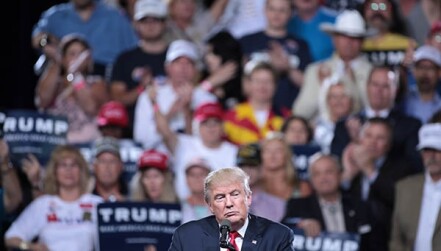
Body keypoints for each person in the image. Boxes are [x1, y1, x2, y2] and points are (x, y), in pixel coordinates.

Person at [168, 167, 295, 250]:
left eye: (235, 194)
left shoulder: (277, 236)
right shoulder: (187, 236)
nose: (229, 203)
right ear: (210, 205)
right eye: (220, 197)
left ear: (248, 198)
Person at [4, 145, 103, 251]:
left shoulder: (97, 204)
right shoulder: (42, 204)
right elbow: (10, 238)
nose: (68, 170)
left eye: (73, 165)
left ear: (81, 171)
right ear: (54, 172)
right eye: (63, 165)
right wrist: (30, 246)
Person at [340, 117, 418, 250]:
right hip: (352, 239)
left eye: (380, 138)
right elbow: (337, 200)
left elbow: (398, 199)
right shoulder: (351, 162)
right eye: (368, 136)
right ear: (360, 139)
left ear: (388, 144)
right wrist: (348, 174)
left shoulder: (403, 168)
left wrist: (370, 171)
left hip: (385, 240)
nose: (372, 142)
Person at [133, 39, 217, 149]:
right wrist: (173, 110)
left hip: (195, 161)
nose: (183, 68)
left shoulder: (208, 99)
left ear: (196, 70)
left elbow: (208, 143)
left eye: (188, 63)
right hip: (158, 158)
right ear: (167, 67)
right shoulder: (150, 95)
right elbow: (142, 138)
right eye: (177, 62)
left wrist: (187, 111)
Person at [292, 9, 373, 121]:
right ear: (334, 40)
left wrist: (354, 86)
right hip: (320, 135)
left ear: (362, 42)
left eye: (355, 38)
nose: (349, 42)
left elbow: (375, 111)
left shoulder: (373, 73)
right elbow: (300, 113)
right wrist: (323, 88)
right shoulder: (315, 70)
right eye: (344, 36)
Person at [282, 153, 373, 251]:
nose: (324, 178)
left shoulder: (360, 206)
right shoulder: (297, 206)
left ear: (339, 174)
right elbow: (281, 231)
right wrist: (300, 223)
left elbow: (375, 243)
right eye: (317, 174)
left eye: (329, 172)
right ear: (311, 180)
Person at [239, 0, 313, 115]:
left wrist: (288, 68)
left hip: (290, 114)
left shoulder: (300, 45)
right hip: (251, 115)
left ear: (291, 13)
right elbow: (239, 84)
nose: (276, 14)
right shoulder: (247, 42)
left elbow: (310, 86)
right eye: (272, 9)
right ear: (264, 10)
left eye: (282, 10)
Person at [153, 100, 238, 200]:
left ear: (222, 126)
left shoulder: (233, 152)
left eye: (215, 122)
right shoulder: (184, 144)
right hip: (184, 208)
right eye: (205, 123)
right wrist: (154, 103)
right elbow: (163, 130)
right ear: (197, 126)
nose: (211, 128)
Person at [31, 0, 139, 77]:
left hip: (105, 79)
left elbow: (136, 50)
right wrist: (47, 43)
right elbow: (37, 38)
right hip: (64, 78)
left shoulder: (116, 17)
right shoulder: (55, 16)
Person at [110, 0, 169, 138]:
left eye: (155, 20)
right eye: (144, 21)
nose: (150, 25)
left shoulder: (177, 58)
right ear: (136, 24)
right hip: (132, 132)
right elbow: (117, 100)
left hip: (172, 130)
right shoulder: (125, 59)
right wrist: (142, 88)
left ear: (165, 24)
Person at [35, 33, 108, 144]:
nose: (77, 58)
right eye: (72, 54)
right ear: (63, 58)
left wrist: (75, 74)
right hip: (54, 142)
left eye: (81, 54)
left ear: (88, 59)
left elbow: (90, 108)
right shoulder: (56, 82)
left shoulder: (97, 83)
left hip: (87, 142)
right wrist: (56, 62)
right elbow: (42, 101)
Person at [389, 123, 441, 251]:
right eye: (427, 150)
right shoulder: (405, 187)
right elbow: (396, 237)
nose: (432, 156)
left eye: (438, 150)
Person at [223, 61, 285, 146]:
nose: (262, 86)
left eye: (268, 81)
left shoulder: (286, 117)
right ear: (248, 84)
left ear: (275, 85)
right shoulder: (231, 116)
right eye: (258, 81)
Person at [236, 143, 286, 222]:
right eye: (242, 166)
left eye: (252, 166)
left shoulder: (277, 205)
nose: (247, 170)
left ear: (262, 168)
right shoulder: (225, 203)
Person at [403, 45, 441, 124]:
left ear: (439, 73)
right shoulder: (403, 100)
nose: (425, 73)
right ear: (414, 71)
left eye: (430, 68)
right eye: (421, 67)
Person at [90, 136, 128, 202]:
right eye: (102, 161)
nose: (107, 167)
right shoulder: (83, 199)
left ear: (121, 166)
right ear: (94, 166)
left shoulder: (134, 197)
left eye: (112, 161)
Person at [180, 157, 212, 224]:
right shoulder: (178, 206)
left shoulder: (219, 207)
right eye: (192, 175)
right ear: (186, 179)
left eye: (201, 174)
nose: (197, 178)